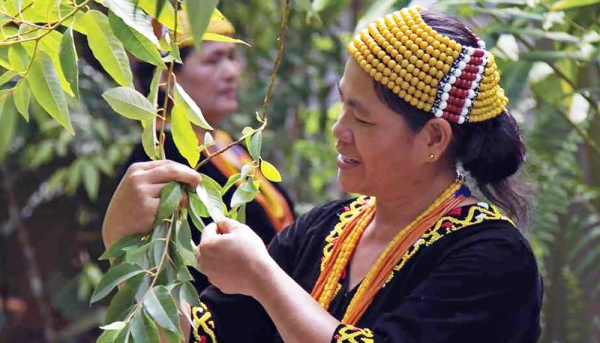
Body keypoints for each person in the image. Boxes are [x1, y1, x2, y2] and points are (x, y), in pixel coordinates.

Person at [104, 6, 542, 342]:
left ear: (432, 139)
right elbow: (199, 335)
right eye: (342, 105)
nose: (339, 131)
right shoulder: (322, 228)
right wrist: (129, 249)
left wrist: (264, 280)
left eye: (362, 118)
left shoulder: (493, 257)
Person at [115, 12, 296, 294]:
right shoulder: (159, 162)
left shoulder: (227, 145)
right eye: (213, 60)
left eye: (232, 57)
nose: (231, 72)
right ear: (167, 76)